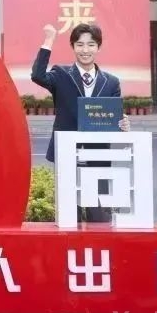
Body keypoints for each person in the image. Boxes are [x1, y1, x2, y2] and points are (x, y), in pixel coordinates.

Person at [31, 22, 131, 222]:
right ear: (73, 47)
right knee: (69, 218)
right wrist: (49, 39)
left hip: (99, 156)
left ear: (98, 47)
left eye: (91, 45)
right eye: (80, 44)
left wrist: (122, 125)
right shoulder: (61, 74)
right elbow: (38, 75)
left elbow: (113, 118)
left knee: (100, 218)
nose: (85, 50)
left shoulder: (111, 82)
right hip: (68, 153)